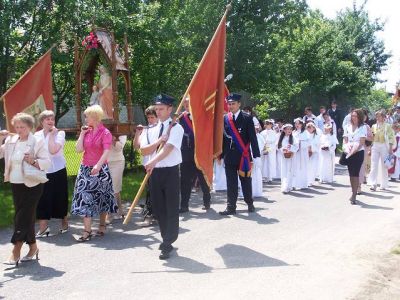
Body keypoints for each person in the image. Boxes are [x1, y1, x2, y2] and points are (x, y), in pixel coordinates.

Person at [1, 113, 51, 266]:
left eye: (22, 127)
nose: (19, 130)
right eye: (16, 127)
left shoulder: (36, 141)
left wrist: (33, 160)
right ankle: (33, 247)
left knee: (21, 218)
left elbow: (46, 162)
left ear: (29, 127)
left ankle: (15, 251)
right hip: (16, 184)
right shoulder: (11, 140)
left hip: (33, 184)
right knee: (26, 217)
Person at [142, 94, 184, 260]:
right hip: (154, 173)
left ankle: (168, 242)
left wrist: (152, 161)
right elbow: (144, 150)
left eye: (161, 109)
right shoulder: (150, 130)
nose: (158, 112)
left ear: (170, 109)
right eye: (156, 109)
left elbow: (168, 149)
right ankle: (166, 236)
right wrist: (158, 140)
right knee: (159, 209)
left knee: (171, 207)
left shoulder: (176, 128)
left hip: (170, 172)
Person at [71, 105, 118, 242]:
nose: (85, 118)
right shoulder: (86, 131)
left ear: (95, 117)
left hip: (101, 169)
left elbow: (106, 151)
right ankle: (87, 231)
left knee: (102, 197)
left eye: (87, 116)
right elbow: (78, 150)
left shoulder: (105, 133)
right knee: (84, 197)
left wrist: (98, 164)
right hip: (85, 168)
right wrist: (81, 134)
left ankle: (102, 225)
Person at [219, 93, 261, 215]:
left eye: (233, 104)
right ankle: (231, 207)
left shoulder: (247, 118)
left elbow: (253, 138)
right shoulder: (226, 118)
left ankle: (250, 203)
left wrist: (256, 156)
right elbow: (223, 138)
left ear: (239, 104)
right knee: (231, 183)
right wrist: (221, 155)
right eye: (229, 104)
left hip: (244, 156)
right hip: (229, 155)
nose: (231, 106)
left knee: (245, 181)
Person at [34, 110, 69, 238]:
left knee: (60, 197)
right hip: (42, 171)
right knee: (42, 199)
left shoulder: (60, 134)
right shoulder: (36, 135)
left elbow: (53, 150)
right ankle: (43, 228)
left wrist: (52, 135)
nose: (50, 121)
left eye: (52, 119)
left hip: (58, 170)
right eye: (47, 119)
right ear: (42, 121)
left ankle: (64, 223)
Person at [179, 97, 211, 213]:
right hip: (186, 154)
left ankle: (207, 201)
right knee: (185, 181)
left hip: (200, 154)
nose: (186, 106)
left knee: (203, 180)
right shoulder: (181, 118)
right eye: (185, 104)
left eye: (189, 104)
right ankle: (184, 205)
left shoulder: (201, 116)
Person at [133, 106, 158, 225]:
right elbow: (136, 146)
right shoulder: (145, 130)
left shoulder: (159, 129)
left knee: (153, 191)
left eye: (152, 117)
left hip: (157, 165)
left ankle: (151, 215)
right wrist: (138, 133)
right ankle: (151, 214)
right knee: (150, 190)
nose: (150, 120)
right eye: (148, 117)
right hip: (146, 164)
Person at [343, 109, 366, 205]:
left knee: (355, 173)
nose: (354, 117)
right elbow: (345, 139)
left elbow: (361, 142)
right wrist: (346, 148)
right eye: (352, 116)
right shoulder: (347, 126)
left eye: (356, 116)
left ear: (359, 117)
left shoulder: (362, 127)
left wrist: (354, 150)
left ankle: (354, 195)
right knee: (351, 174)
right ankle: (353, 191)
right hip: (349, 152)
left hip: (358, 152)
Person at [368, 109, 395, 191]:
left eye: (379, 116)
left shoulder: (388, 126)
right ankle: (373, 183)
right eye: (377, 116)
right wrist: (369, 148)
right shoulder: (373, 126)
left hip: (384, 146)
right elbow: (371, 138)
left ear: (383, 117)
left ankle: (383, 184)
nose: (377, 117)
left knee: (384, 165)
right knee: (373, 165)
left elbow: (391, 138)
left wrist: (390, 148)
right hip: (375, 145)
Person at [106, 134, 127, 223]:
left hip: (117, 162)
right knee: (112, 187)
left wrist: (114, 140)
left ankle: (110, 213)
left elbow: (119, 148)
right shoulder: (104, 130)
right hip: (105, 161)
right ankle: (120, 210)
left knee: (114, 187)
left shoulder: (121, 131)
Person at [277, 124, 298, 193]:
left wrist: (291, 149)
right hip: (283, 157)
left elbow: (296, 147)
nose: (289, 130)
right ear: (284, 130)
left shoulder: (294, 138)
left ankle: (289, 186)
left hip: (291, 156)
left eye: (290, 129)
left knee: (290, 170)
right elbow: (278, 147)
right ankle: (284, 186)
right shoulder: (281, 138)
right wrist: (283, 150)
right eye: (287, 129)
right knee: (284, 171)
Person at [358, 109, 373, 194]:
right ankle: (354, 183)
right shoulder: (353, 125)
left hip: (363, 148)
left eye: (365, 115)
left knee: (361, 166)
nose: (363, 117)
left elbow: (371, 138)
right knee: (353, 167)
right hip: (354, 148)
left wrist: (363, 137)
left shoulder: (366, 126)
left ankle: (359, 185)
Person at [293, 118, 310, 190]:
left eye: (299, 124)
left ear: (301, 124)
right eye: (296, 123)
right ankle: (294, 183)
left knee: (302, 167)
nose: (297, 125)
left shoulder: (305, 132)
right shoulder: (293, 132)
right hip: (295, 153)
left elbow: (308, 142)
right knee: (295, 167)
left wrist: (300, 144)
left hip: (302, 152)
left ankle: (303, 184)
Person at [305, 122, 320, 186]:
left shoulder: (316, 136)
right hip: (306, 153)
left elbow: (318, 144)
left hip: (314, 153)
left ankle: (311, 181)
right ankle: (306, 180)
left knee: (313, 167)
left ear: (313, 128)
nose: (309, 128)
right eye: (308, 127)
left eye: (310, 127)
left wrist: (311, 149)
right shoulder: (305, 135)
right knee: (307, 167)